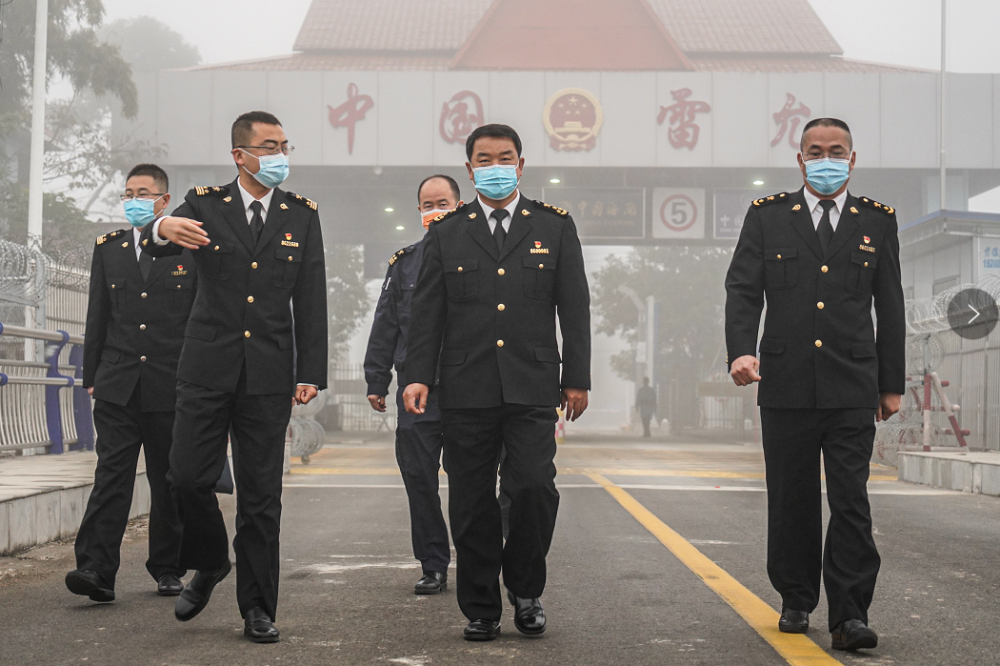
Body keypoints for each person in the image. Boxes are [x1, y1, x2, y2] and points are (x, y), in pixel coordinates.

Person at [140, 111, 328, 644]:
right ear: (239, 155)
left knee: (261, 498)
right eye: (269, 146)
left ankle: (258, 609)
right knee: (186, 477)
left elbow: (310, 297)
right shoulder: (204, 204)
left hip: (269, 373)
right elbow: (158, 244)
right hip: (205, 368)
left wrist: (311, 371)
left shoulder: (301, 215)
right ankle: (210, 560)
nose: (279, 156)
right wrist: (158, 225)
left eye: (285, 145)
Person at [403, 123, 591, 641]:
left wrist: (577, 378)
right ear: (470, 169)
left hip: (532, 386)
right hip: (466, 388)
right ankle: (481, 606)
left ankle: (526, 589)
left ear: (522, 165)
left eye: (504, 158)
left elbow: (574, 308)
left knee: (533, 487)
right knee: (470, 500)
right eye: (483, 160)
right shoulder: (447, 231)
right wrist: (418, 376)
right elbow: (427, 315)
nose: (495, 167)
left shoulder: (553, 226)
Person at [725, 117, 904, 652]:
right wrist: (741, 350)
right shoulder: (768, 217)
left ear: (853, 158)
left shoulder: (877, 221)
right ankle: (796, 597)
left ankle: (850, 614)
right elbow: (742, 289)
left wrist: (890, 383)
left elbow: (889, 306)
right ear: (800, 159)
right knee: (792, 498)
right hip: (785, 384)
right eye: (815, 150)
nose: (826, 158)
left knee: (851, 500)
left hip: (853, 383)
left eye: (837, 150)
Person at [67, 164, 192, 603]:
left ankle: (168, 567)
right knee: (111, 477)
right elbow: (97, 314)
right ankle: (95, 569)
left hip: (169, 383)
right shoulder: (109, 247)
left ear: (163, 200)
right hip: (117, 384)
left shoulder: (186, 247)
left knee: (168, 479)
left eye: (142, 192)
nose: (133, 199)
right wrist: (91, 375)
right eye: (127, 192)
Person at [364, 174, 463, 595]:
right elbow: (386, 323)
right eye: (426, 204)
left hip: (466, 390)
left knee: (468, 481)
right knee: (419, 478)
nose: (434, 210)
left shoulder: (478, 258)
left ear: (460, 206)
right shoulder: (404, 263)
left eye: (442, 202)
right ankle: (433, 563)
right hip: (415, 392)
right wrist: (376, 377)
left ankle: (477, 557)